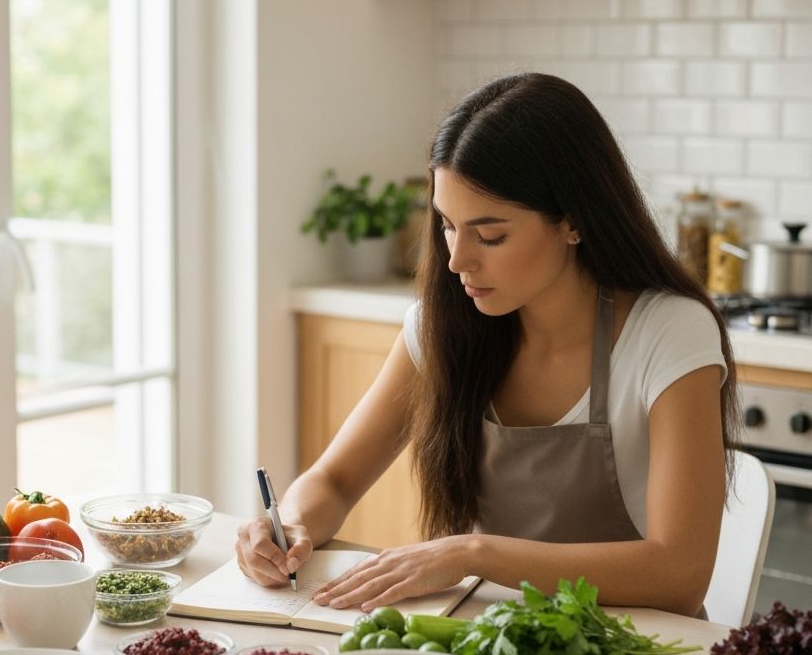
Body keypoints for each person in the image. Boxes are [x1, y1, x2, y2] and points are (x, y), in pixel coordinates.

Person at [236, 73, 739, 617]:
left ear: (572, 221)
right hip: (497, 639)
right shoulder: (442, 329)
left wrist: (474, 552)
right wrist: (291, 525)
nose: (456, 261)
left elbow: (680, 574)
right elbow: (333, 480)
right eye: (447, 226)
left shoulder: (668, 331)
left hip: (643, 652)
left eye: (490, 235)